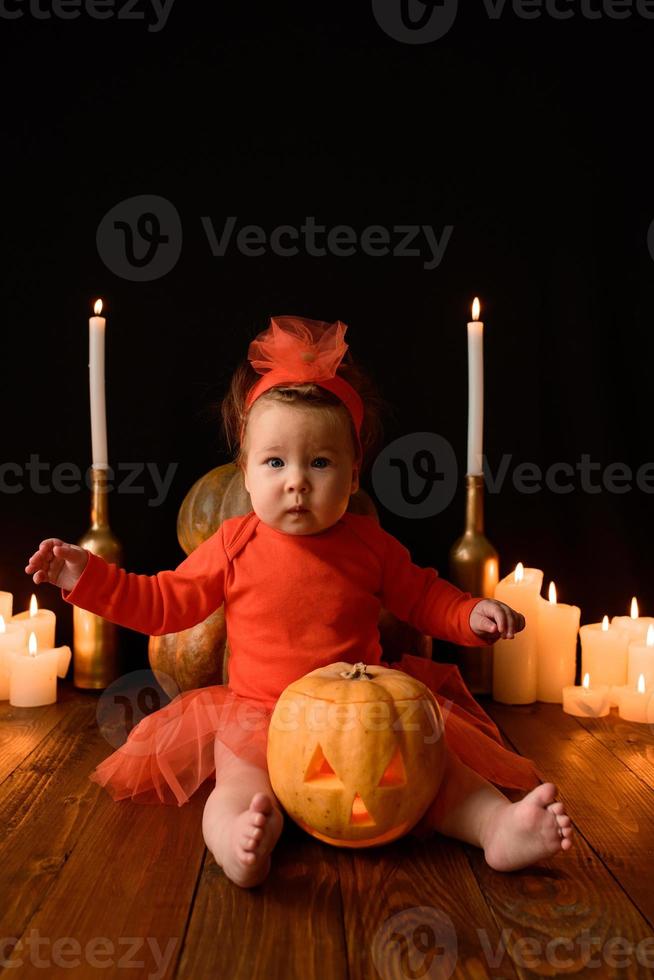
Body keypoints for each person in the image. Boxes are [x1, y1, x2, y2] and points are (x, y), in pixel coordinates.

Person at [25, 315, 573, 888]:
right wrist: (85, 576)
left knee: (441, 774)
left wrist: (469, 614)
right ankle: (238, 842)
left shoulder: (370, 546)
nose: (297, 482)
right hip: (260, 716)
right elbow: (162, 602)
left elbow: (425, 597)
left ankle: (498, 829)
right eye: (275, 462)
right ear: (246, 470)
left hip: (366, 713)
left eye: (320, 463)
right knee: (238, 789)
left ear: (354, 473)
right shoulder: (234, 545)